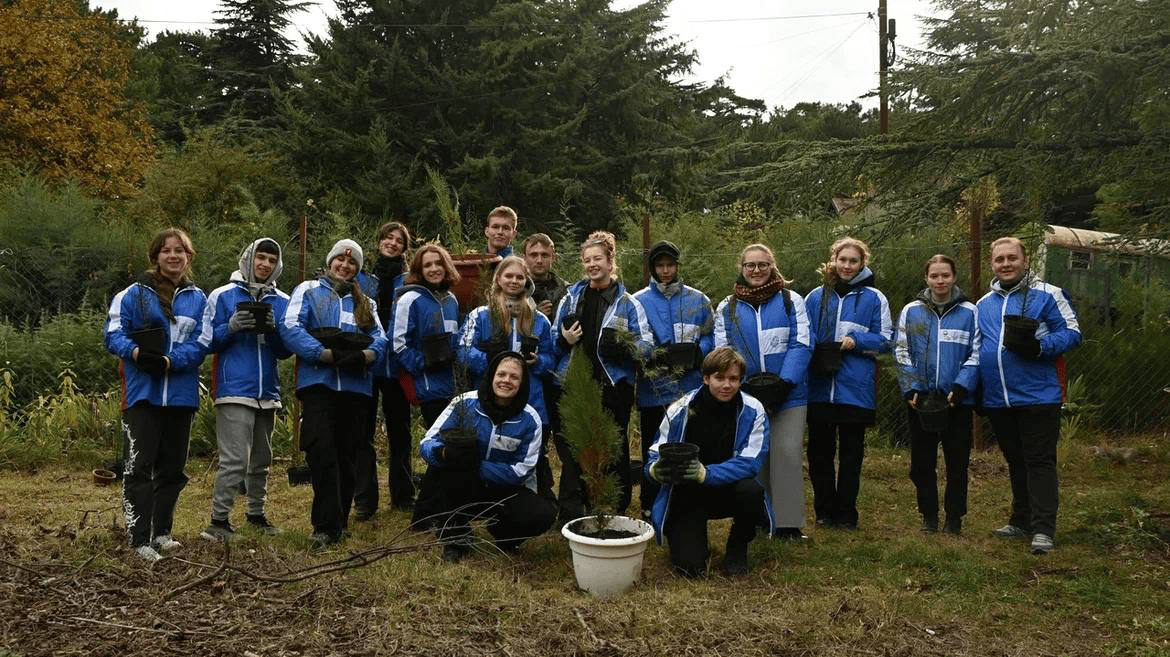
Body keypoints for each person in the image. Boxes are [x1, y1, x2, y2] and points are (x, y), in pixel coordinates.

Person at [104, 228, 208, 561]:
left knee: (172, 469)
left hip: (181, 395)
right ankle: (139, 539)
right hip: (142, 394)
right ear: (155, 256)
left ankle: (161, 533)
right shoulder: (133, 294)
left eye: (180, 250)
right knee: (139, 467)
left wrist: (170, 361)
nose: (173, 256)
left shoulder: (199, 299)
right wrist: (136, 353)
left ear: (189, 257)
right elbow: (113, 333)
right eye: (166, 250)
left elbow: (202, 343)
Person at [977, 237, 1081, 555]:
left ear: (1025, 260)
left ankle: (1043, 530)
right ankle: (1021, 520)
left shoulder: (1048, 294)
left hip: (1039, 395)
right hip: (999, 398)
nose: (1006, 264)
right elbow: (978, 347)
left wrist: (1039, 347)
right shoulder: (984, 304)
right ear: (992, 264)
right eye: (999, 259)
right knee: (1015, 460)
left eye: (1012, 258)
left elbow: (1072, 332)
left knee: (1039, 461)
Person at [281, 239, 386, 547]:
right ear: (330, 261)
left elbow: (380, 337)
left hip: (355, 387)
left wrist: (366, 356)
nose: (345, 265)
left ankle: (339, 523)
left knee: (347, 455)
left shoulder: (366, 302)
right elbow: (291, 327)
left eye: (352, 263)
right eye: (340, 259)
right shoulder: (308, 290)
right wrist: (321, 354)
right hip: (319, 384)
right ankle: (325, 526)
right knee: (322, 451)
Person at [552, 230, 654, 523]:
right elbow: (551, 338)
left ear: (611, 262)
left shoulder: (628, 303)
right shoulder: (571, 299)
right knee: (577, 448)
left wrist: (623, 348)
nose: (592, 264)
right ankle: (576, 511)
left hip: (613, 385)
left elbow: (647, 345)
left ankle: (617, 507)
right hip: (576, 383)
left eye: (598, 258)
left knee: (615, 447)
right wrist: (564, 340)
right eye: (587, 260)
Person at [418, 352, 557, 562]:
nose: (506, 380)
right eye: (501, 374)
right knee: (445, 471)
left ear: (522, 383)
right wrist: (443, 452)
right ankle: (455, 539)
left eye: (514, 377)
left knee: (543, 514)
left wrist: (476, 466)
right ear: (492, 376)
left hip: (505, 489)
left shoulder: (531, 419)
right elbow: (427, 442)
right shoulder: (464, 403)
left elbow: (521, 470)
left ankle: (505, 536)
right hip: (463, 483)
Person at [714, 243, 812, 539]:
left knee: (787, 453)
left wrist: (785, 384)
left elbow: (802, 343)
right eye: (750, 265)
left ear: (772, 266)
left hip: (789, 394)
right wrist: (741, 387)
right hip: (747, 395)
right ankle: (758, 518)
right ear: (741, 268)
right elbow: (723, 350)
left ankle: (788, 524)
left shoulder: (791, 301)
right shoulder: (727, 307)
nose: (756, 270)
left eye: (762, 265)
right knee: (754, 456)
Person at [645, 348, 771, 577]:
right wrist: (655, 469)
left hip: (729, 488)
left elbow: (751, 461)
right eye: (719, 378)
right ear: (706, 378)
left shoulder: (754, 410)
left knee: (752, 491)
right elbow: (656, 450)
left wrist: (706, 473)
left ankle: (738, 545)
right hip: (688, 492)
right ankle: (686, 539)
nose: (727, 385)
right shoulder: (681, 408)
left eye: (733, 379)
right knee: (689, 569)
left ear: (741, 380)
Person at [199, 238, 291, 541]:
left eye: (271, 260)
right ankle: (218, 521)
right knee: (235, 460)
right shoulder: (222, 295)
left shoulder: (283, 300)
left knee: (262, 459)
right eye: (260, 257)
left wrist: (274, 330)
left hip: (267, 391)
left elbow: (284, 351)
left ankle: (255, 515)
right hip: (234, 388)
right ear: (248, 258)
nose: (265, 264)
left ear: (277, 265)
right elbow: (207, 342)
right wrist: (231, 326)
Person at [804, 237, 892, 530]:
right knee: (819, 453)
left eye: (853, 261)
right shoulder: (816, 296)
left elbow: (886, 339)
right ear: (833, 260)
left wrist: (857, 341)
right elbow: (804, 335)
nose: (847, 266)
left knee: (851, 454)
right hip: (820, 386)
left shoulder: (875, 298)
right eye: (842, 259)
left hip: (855, 389)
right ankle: (824, 510)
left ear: (863, 263)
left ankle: (846, 513)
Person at [894, 254, 980, 535]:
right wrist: (911, 387)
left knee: (957, 463)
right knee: (922, 463)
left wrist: (961, 386)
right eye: (934, 276)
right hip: (921, 401)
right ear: (926, 279)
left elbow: (977, 353)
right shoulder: (911, 311)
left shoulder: (970, 312)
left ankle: (954, 518)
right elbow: (901, 350)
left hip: (956, 400)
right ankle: (928, 516)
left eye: (945, 275)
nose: (940, 281)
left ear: (954, 277)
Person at [458, 256, 557, 498]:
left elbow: (552, 358)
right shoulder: (481, 315)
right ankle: (478, 500)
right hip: (490, 400)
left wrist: (538, 362)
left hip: (530, 401)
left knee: (528, 456)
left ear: (526, 282)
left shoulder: (539, 320)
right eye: (508, 275)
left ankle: (530, 500)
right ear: (498, 279)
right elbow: (462, 351)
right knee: (486, 450)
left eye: (519, 277)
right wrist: (492, 361)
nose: (514, 281)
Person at [632, 240, 714, 520]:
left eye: (670, 265)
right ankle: (650, 501)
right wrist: (654, 355)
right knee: (653, 446)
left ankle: (688, 499)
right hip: (654, 390)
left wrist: (699, 353)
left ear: (678, 266)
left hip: (690, 388)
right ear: (652, 268)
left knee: (690, 442)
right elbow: (633, 338)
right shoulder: (638, 301)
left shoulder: (698, 300)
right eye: (660, 266)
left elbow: (711, 334)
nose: (665, 271)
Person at [391, 243, 463, 528]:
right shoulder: (410, 299)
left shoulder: (451, 299)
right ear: (419, 270)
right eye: (427, 265)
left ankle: (426, 514)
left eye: (438, 263)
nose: (434, 269)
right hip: (429, 386)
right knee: (443, 447)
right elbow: (398, 344)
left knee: (446, 447)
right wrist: (423, 363)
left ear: (446, 267)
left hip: (452, 386)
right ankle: (429, 515)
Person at [353, 221, 414, 519]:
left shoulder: (410, 279)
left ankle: (403, 495)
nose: (392, 243)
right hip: (367, 363)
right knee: (362, 430)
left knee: (400, 430)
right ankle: (365, 499)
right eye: (388, 238)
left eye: (398, 240)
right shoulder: (362, 277)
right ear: (378, 241)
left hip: (397, 365)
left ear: (404, 248)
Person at [523, 233, 568, 321]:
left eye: (544, 255)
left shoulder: (567, 291)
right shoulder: (514, 289)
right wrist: (535, 316)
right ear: (524, 258)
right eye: (534, 255)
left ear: (553, 258)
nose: (539, 261)